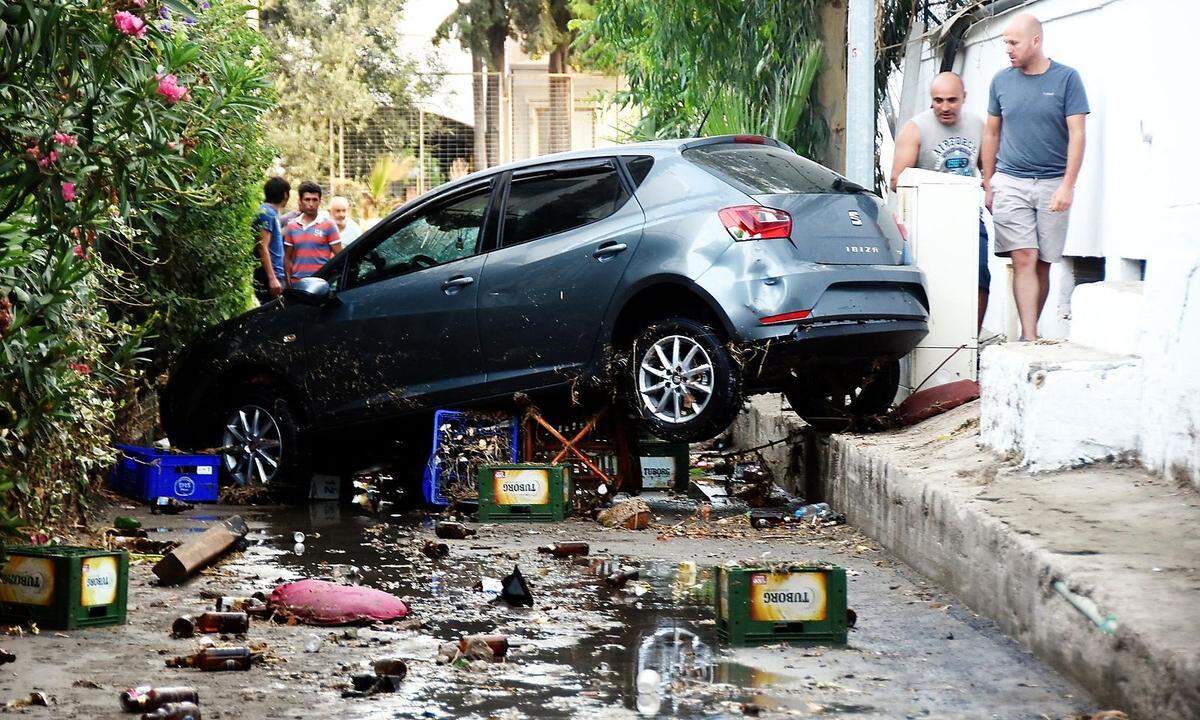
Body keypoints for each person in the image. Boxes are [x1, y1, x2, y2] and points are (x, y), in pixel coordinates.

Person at [981, 13, 1089, 341]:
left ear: (1035, 41)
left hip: (1054, 182)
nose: (1008, 50)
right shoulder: (1001, 81)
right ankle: (1029, 336)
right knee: (1023, 255)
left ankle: (1032, 330)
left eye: (1013, 43)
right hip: (1011, 181)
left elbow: (1078, 134)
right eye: (1005, 44)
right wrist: (989, 182)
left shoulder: (1067, 79)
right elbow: (991, 133)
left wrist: (1068, 186)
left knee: (1043, 263)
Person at [890, 71, 989, 331]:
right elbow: (896, 181)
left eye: (952, 100)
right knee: (935, 282)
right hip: (929, 218)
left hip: (968, 216)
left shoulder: (978, 126)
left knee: (980, 278)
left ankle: (971, 340)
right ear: (931, 100)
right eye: (938, 100)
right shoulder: (915, 128)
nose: (945, 107)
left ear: (964, 98)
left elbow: (989, 171)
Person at [283, 181, 342, 285]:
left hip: (321, 284)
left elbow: (340, 257)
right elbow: (288, 257)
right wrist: (288, 282)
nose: (311, 204)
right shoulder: (291, 226)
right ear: (300, 201)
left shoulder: (329, 225)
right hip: (297, 284)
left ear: (320, 201)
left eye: (315, 200)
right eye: (307, 199)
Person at [253, 177, 290, 302]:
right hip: (269, 275)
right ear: (285, 194)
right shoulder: (267, 213)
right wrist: (272, 278)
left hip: (275, 274)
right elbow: (262, 246)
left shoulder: (271, 213)